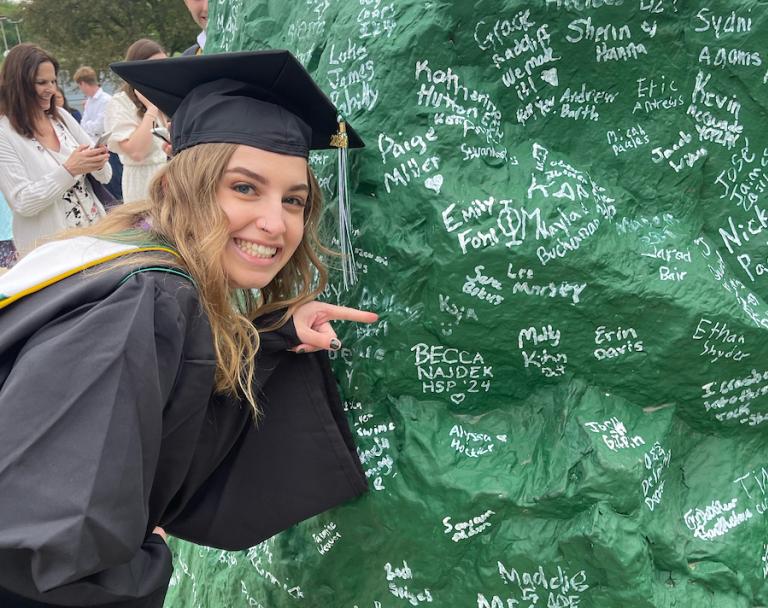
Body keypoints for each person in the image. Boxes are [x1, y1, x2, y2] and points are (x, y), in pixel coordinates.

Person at [0, 50, 374, 607]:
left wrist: (273, 335)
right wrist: (145, 558)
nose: (276, 223)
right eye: (244, 188)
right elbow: (47, 553)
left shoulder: (121, 258)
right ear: (182, 186)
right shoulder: (146, 300)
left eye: (294, 200)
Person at [0, 44, 111, 254]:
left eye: (53, 81)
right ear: (18, 84)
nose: (51, 89)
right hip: (52, 252)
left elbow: (105, 177)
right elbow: (23, 202)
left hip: (96, 236)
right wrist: (69, 170)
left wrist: (97, 160)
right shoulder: (4, 133)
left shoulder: (61, 117)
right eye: (42, 82)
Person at [104, 39, 170, 203]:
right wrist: (151, 109)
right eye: (154, 67)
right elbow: (137, 152)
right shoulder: (120, 102)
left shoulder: (167, 98)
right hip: (142, 184)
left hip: (170, 181)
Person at [73, 65, 111, 139]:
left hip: (104, 144)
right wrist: (91, 125)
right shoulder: (88, 101)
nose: (81, 90)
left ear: (83, 84)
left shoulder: (106, 100)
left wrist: (87, 124)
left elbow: (99, 128)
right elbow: (82, 125)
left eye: (79, 86)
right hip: (90, 142)